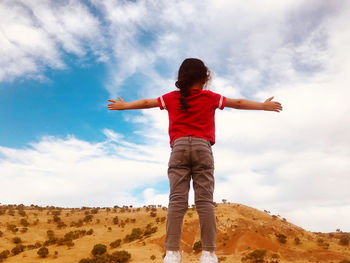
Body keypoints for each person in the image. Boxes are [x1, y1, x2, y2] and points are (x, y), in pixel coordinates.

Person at [107, 58, 282, 263]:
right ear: (205, 78)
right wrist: (263, 106)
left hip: (179, 148)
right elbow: (238, 103)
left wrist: (125, 106)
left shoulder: (171, 98)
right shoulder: (209, 97)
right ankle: (208, 254)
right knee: (204, 202)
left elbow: (147, 103)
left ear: (181, 78)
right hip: (202, 148)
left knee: (177, 201)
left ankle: (172, 253)